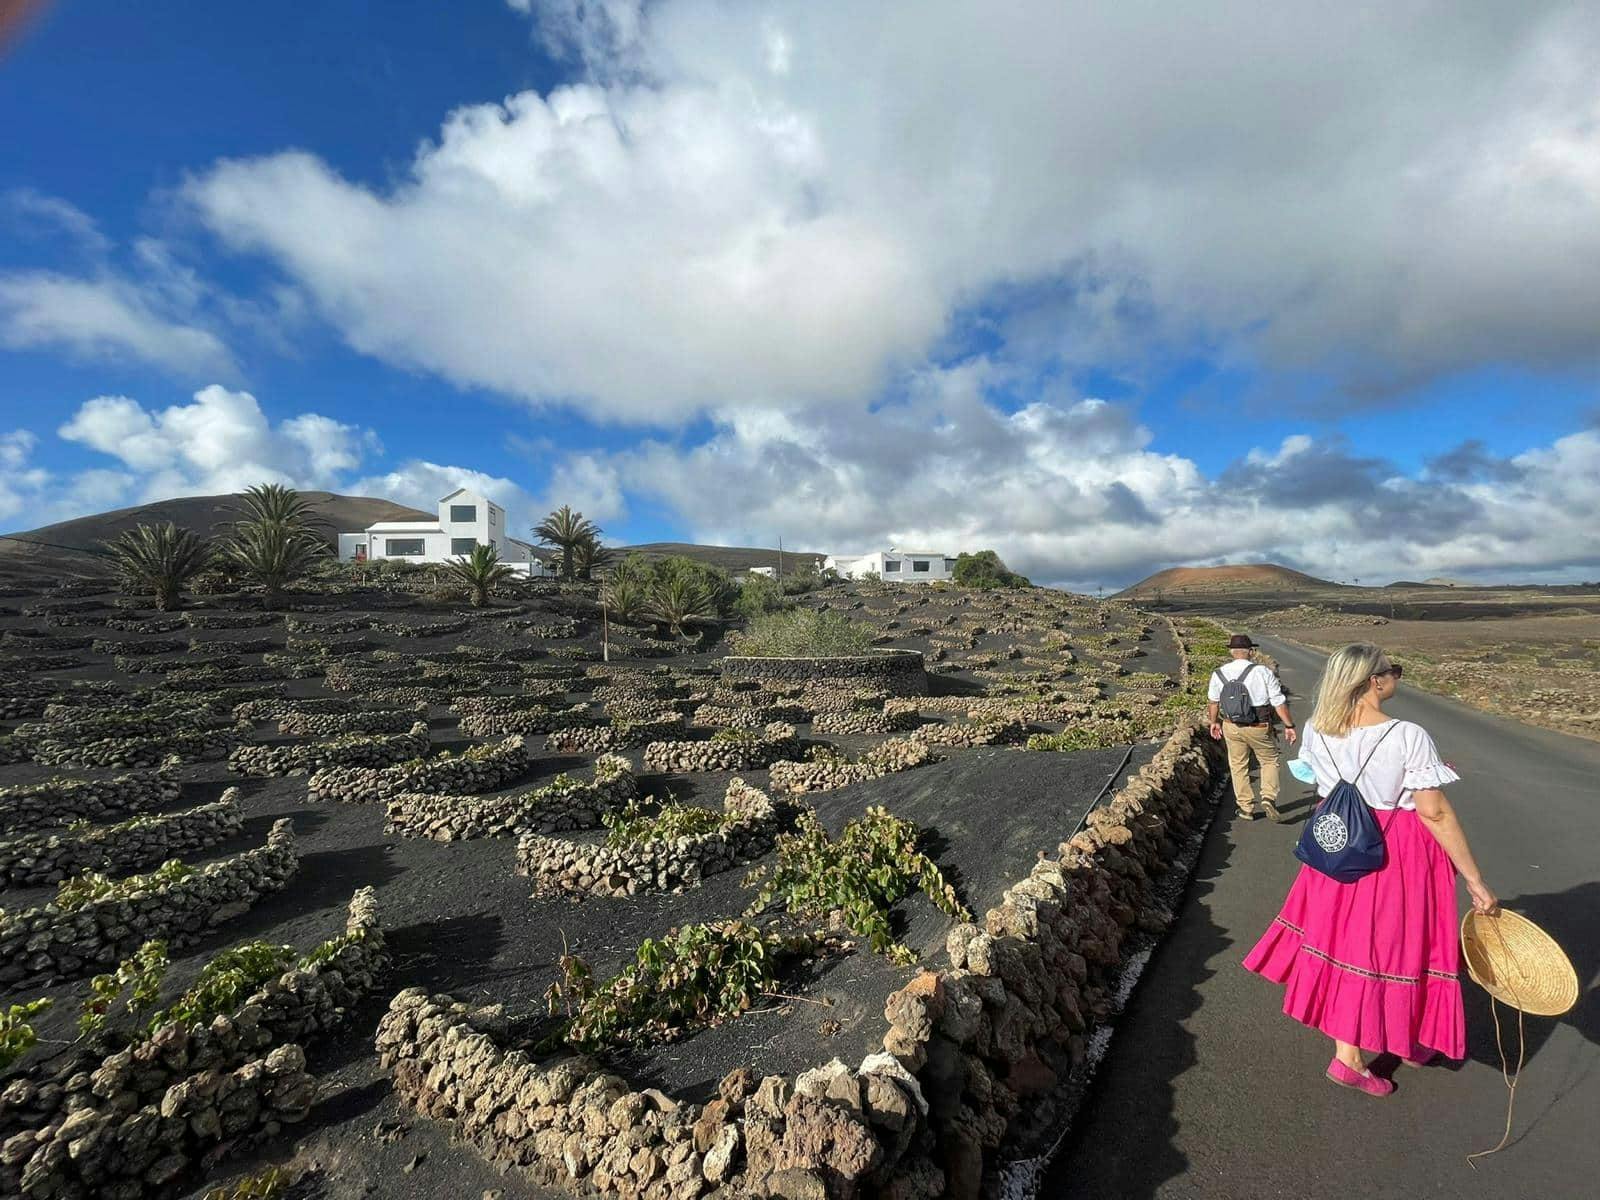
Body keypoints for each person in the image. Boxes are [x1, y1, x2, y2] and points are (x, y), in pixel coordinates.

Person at [1242, 643, 1498, 1096]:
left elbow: (1321, 785)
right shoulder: (1407, 735)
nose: (1395, 675)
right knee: (1400, 945)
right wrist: (1475, 879)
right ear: (1374, 681)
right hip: (1396, 852)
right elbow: (1434, 813)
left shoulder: (1319, 730)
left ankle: (1393, 1040)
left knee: (1349, 944)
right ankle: (1353, 1058)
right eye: (1392, 669)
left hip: (1338, 846)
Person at [1207, 633, 1297, 820]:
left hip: (1231, 725)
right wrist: (1289, 725)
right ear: (1251, 651)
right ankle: (1268, 797)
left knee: (1238, 765)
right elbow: (1278, 702)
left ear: (1231, 651)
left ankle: (1246, 808)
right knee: (1269, 760)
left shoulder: (1219, 673)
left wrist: (1214, 722)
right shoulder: (1262, 672)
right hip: (1259, 725)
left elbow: (1213, 702)